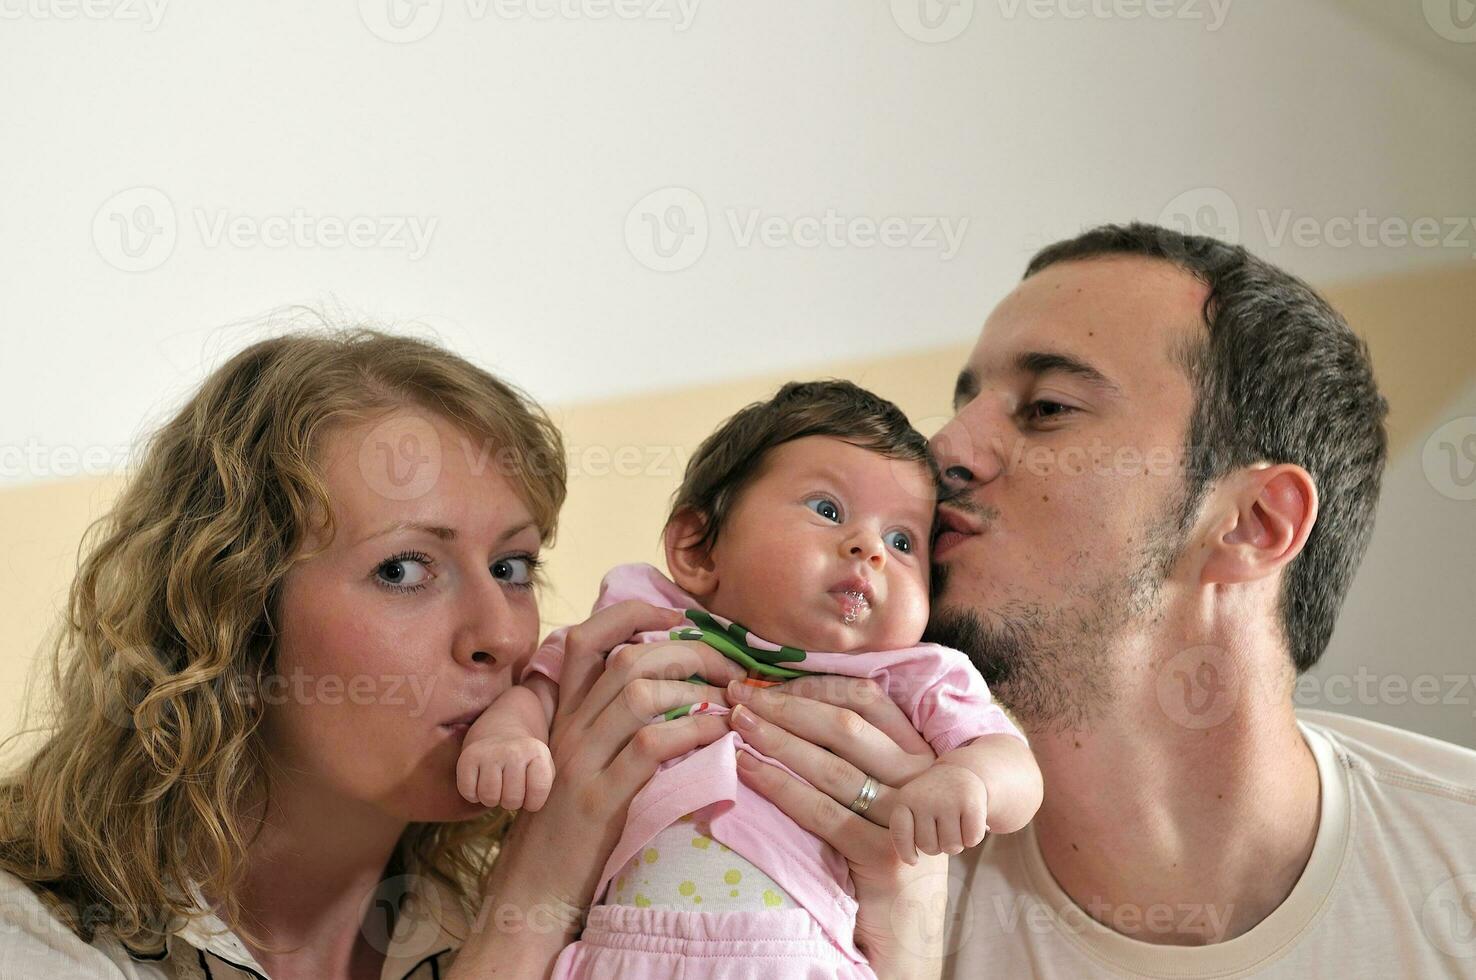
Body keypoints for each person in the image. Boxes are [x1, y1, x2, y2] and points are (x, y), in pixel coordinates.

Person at [0, 329, 944, 980]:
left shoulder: (538, 914)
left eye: (514, 565)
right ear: (228, 610)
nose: (501, 632)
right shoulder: (34, 937)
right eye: (407, 568)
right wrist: (535, 891)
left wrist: (897, 925)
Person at [722, 222, 1476, 978]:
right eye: (965, 403)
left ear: (1252, 522)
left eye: (1047, 408)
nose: (945, 447)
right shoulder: (809, 862)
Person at [458, 380, 1042, 977]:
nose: (870, 549)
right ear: (700, 550)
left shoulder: (911, 673)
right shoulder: (648, 621)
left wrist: (970, 781)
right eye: (828, 510)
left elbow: (1013, 764)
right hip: (620, 952)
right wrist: (508, 738)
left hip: (800, 959)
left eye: (902, 541)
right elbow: (543, 691)